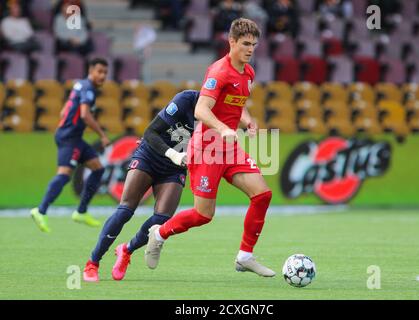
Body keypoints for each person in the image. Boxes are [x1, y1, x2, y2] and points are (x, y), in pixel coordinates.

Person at [145, 18, 276, 277]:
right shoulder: (219, 72)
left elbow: (236, 106)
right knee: (203, 215)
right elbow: (201, 110)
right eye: (245, 44)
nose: (250, 49)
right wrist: (224, 129)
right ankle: (159, 233)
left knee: (262, 195)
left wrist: (247, 120)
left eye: (254, 45)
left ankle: (245, 256)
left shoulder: (248, 73)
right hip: (207, 148)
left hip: (230, 148)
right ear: (232, 42)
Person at [82, 90, 199, 282]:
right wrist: (173, 153)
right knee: (125, 210)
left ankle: (126, 250)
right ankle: (92, 263)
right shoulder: (186, 100)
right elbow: (150, 132)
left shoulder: (219, 116)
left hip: (174, 168)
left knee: (161, 220)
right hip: (150, 156)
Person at [30, 58, 111, 233]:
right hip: (70, 138)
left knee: (98, 168)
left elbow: (63, 110)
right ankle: (40, 210)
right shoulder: (88, 88)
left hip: (72, 136)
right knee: (64, 174)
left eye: (105, 72)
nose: (102, 76)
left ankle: (81, 211)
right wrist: (102, 135)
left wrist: (67, 124)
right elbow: (84, 115)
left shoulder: (79, 85)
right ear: (91, 71)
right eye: (99, 71)